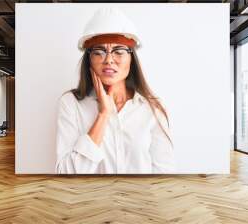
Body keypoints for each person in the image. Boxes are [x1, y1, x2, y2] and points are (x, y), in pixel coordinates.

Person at [55, 7, 176, 174]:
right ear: (89, 60)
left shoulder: (152, 107)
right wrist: (103, 115)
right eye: (99, 52)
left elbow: (164, 172)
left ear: (131, 58)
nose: (109, 60)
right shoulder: (71, 104)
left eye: (119, 51)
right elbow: (65, 173)